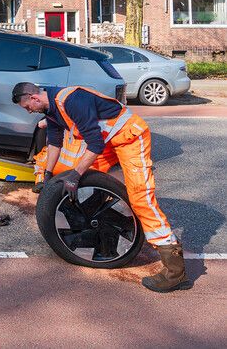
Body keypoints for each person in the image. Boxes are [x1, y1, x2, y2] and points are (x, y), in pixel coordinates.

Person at [12, 82, 191, 293]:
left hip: (129, 138)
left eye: (27, 107)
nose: (28, 111)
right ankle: (97, 217)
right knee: (86, 178)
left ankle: (175, 270)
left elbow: (94, 144)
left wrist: (75, 175)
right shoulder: (51, 108)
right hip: (106, 141)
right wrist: (48, 175)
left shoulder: (71, 100)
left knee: (140, 197)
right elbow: (55, 142)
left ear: (33, 98)